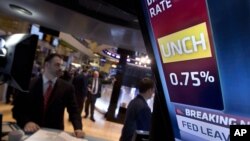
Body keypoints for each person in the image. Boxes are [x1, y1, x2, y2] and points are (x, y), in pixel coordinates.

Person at [12, 53, 85, 138]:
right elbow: (17, 109)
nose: (61, 68)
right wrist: (26, 122)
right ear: (47, 65)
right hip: (32, 132)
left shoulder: (67, 88)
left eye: (61, 65)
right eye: (57, 65)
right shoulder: (29, 85)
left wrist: (78, 128)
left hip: (55, 133)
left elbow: (74, 110)